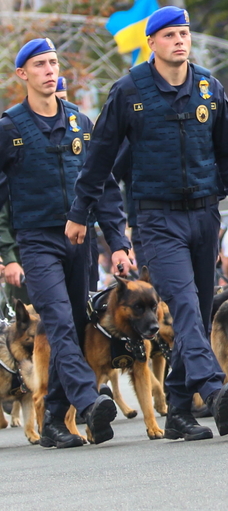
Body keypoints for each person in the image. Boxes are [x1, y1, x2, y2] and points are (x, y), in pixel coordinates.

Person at [68, 8, 228, 441]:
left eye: (185, 33)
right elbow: (99, 157)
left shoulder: (208, 86)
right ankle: (212, 385)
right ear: (152, 43)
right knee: (182, 304)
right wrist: (80, 212)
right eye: (169, 35)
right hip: (157, 217)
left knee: (200, 311)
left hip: (205, 213)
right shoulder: (129, 90)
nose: (180, 41)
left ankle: (180, 412)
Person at [0, 39, 128, 447]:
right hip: (37, 240)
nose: (50, 70)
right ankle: (89, 402)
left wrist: (118, 241)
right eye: (39, 65)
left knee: (74, 324)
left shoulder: (79, 122)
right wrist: (4, 251)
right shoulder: (9, 128)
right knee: (56, 319)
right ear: (22, 74)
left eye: (53, 63)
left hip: (81, 238)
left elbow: (103, 187)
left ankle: (54, 420)